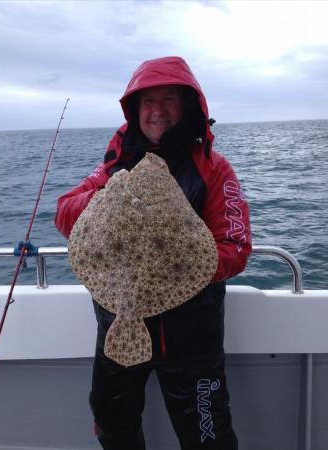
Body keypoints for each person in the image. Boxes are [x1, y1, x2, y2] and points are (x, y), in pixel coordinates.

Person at [55, 56, 251, 450]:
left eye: (169, 99)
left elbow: (235, 247)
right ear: (134, 109)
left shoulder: (213, 169)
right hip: (118, 328)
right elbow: (65, 212)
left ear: (189, 106)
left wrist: (180, 269)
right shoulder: (116, 165)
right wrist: (104, 195)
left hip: (191, 340)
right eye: (147, 101)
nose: (157, 110)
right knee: (113, 429)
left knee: (208, 439)